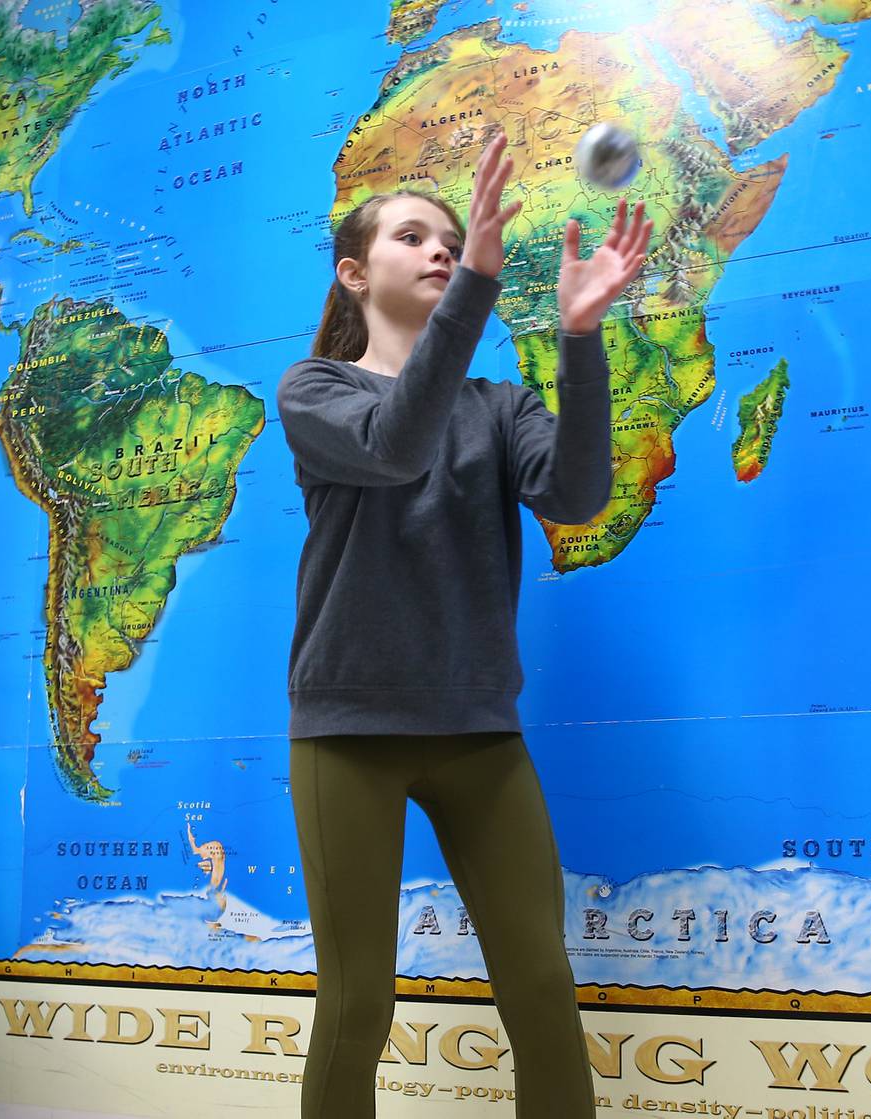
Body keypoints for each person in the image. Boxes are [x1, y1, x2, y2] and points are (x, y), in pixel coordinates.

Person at [275, 130, 652, 1119]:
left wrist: (579, 337)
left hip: (480, 731)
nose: (440, 248)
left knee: (542, 986)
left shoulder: (500, 404)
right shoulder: (314, 390)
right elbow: (397, 446)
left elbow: (577, 496)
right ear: (355, 274)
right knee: (358, 1002)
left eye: (451, 239)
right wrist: (480, 284)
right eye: (413, 237)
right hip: (349, 733)